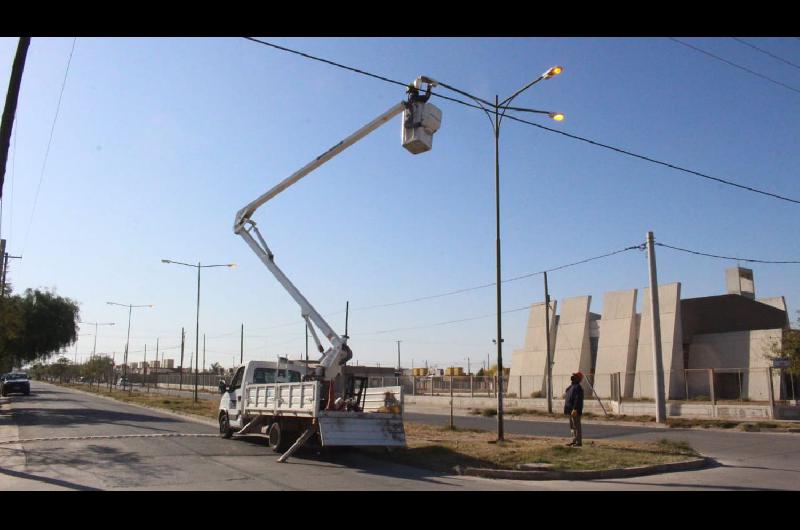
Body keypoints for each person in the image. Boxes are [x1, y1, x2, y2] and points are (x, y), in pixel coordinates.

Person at [564, 371, 584, 447]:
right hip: (569, 410)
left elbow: (578, 399)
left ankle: (579, 442)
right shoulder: (571, 387)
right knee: (572, 427)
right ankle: (574, 440)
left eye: (575, 376)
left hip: (574, 410)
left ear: (578, 379)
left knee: (577, 426)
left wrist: (575, 409)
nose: (573, 377)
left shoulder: (578, 388)